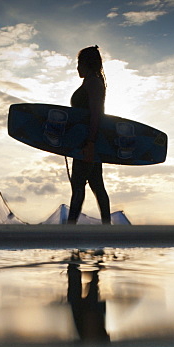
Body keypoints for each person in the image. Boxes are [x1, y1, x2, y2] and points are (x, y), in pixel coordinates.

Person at [67, 45, 111, 224]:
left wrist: (90, 143)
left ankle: (68, 231)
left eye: (79, 63)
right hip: (88, 141)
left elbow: (96, 114)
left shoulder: (93, 83)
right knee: (97, 185)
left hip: (88, 142)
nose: (77, 67)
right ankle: (108, 229)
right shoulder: (91, 81)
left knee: (78, 186)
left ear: (87, 63)